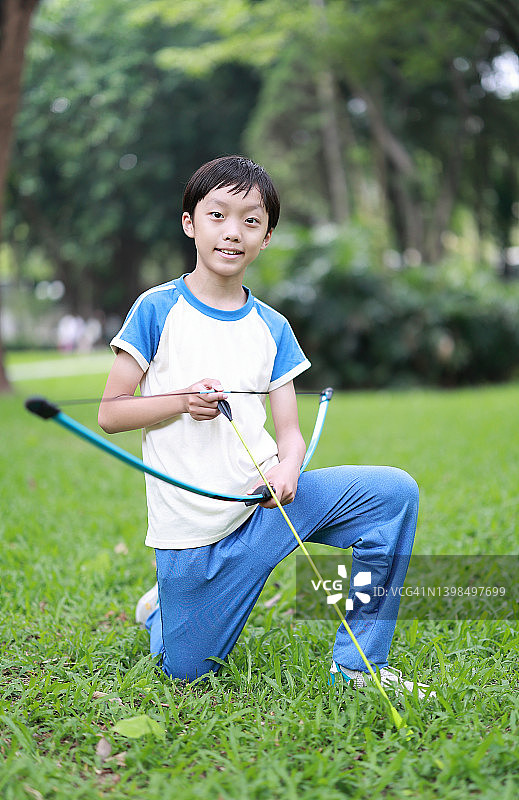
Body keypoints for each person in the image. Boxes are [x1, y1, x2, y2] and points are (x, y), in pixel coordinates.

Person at [98, 155, 431, 697]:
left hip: (266, 506)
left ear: (266, 237)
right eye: (218, 215)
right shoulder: (156, 309)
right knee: (187, 674)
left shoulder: (272, 327)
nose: (233, 232)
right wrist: (181, 400)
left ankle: (358, 668)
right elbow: (111, 411)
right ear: (190, 223)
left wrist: (287, 467)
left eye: (251, 220)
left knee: (392, 495)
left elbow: (291, 431)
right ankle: (163, 611)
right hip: (192, 539)